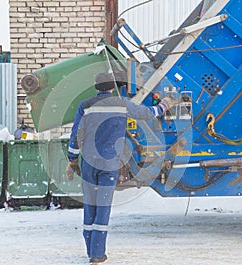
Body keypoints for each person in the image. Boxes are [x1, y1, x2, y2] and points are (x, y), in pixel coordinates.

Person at [66, 72, 172, 264]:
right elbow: (148, 113)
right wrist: (164, 105)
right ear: (112, 88)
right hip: (109, 163)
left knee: (90, 206)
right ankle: (97, 254)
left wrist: (72, 160)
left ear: (96, 88)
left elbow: (75, 136)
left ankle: (91, 249)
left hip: (89, 163)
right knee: (103, 207)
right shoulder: (121, 103)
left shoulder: (85, 106)